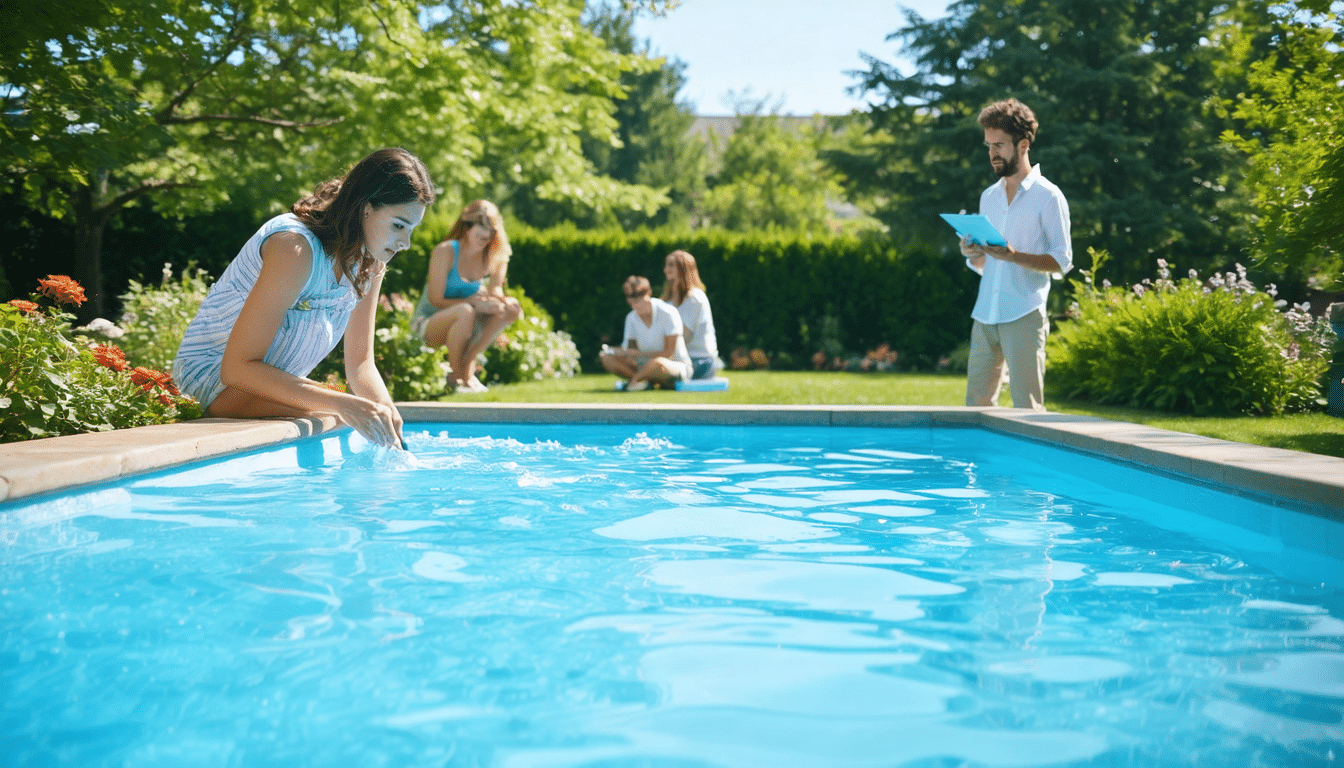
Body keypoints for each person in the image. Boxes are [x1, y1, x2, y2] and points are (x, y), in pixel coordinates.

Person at [173, 148, 434, 448]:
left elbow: (360, 365)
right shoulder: (293, 248)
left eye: (411, 229)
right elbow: (237, 369)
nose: (405, 243)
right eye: (399, 225)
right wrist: (343, 404)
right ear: (365, 207)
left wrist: (389, 415)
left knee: (358, 413)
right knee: (342, 411)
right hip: (212, 385)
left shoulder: (370, 262)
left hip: (265, 388)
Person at [958, 98, 1072, 410]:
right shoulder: (989, 197)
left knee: (1028, 409)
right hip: (985, 313)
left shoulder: (1049, 197)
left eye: (999, 145)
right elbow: (985, 263)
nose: (992, 153)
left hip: (1023, 312)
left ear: (1022, 145)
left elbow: (1062, 261)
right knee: (975, 409)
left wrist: (1014, 255)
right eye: (988, 145)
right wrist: (971, 253)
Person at [410, 200, 522, 393]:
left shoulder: (495, 255)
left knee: (510, 308)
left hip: (467, 320)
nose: (485, 236)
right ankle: (459, 379)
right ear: (467, 227)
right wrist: (475, 304)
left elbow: (495, 290)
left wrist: (501, 303)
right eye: (480, 230)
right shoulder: (445, 251)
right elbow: (435, 299)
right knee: (465, 311)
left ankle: (468, 364)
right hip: (428, 323)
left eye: (490, 231)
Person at [600, 275, 693, 391]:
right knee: (605, 357)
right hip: (643, 367)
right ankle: (643, 382)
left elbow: (669, 353)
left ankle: (634, 382)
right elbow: (631, 352)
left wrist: (638, 354)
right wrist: (618, 352)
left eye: (639, 296)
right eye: (631, 297)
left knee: (657, 362)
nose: (636, 303)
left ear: (649, 292)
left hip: (673, 366)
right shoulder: (631, 318)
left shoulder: (668, 312)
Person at [661, 249, 721, 380]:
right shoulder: (668, 300)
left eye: (671, 265)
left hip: (699, 361)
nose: (666, 269)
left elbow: (685, 338)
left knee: (657, 367)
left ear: (683, 268)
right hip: (678, 359)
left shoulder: (695, 298)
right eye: (666, 265)